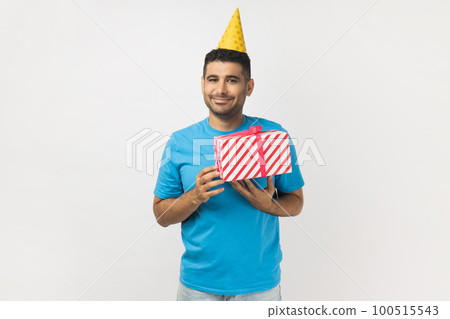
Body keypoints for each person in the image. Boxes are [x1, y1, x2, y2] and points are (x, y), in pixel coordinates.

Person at [153, 8, 305, 301]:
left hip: (260, 287)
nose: (220, 89)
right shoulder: (180, 142)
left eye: (232, 80)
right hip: (197, 287)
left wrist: (268, 204)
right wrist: (194, 196)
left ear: (249, 86)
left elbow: (296, 202)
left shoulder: (274, 136)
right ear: (202, 84)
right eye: (213, 79)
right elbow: (161, 216)